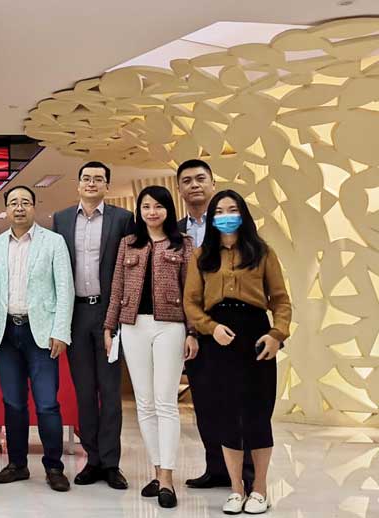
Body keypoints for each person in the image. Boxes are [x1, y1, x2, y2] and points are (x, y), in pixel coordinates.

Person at [184, 190, 291, 515]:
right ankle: (236, 489)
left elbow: (281, 300)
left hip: (256, 334)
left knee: (258, 413)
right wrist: (209, 327)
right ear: (212, 218)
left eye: (232, 209)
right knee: (226, 413)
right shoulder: (202, 256)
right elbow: (191, 302)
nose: (226, 216)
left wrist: (276, 335)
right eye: (219, 211)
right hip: (218, 336)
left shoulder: (262, 252)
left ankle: (259, 489)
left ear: (242, 214)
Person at [104, 185, 196, 508]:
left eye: (158, 206)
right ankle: (157, 471)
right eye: (146, 206)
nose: (152, 212)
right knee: (144, 404)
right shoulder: (128, 243)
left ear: (168, 210)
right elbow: (117, 287)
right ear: (139, 211)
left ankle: (167, 478)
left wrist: (192, 332)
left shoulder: (183, 244)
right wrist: (109, 326)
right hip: (132, 327)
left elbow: (191, 291)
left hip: (171, 326)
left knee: (165, 402)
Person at [0, 186, 74, 492]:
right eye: (13, 203)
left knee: (47, 404)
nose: (19, 207)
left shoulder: (53, 242)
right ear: (6, 210)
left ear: (34, 207)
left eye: (25, 202)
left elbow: (65, 289)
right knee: (13, 403)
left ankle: (54, 467)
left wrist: (60, 331)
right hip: (6, 334)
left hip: (42, 333)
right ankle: (17, 465)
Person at [52, 161, 133, 489]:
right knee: (84, 391)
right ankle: (93, 459)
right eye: (86, 178)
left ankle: (111, 463)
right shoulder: (61, 219)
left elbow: (128, 267)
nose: (91, 183)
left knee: (110, 392)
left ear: (107, 186)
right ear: (78, 184)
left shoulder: (122, 219)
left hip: (108, 313)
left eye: (98, 179)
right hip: (75, 314)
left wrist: (119, 316)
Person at [175, 159, 255, 491]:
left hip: (234, 326)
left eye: (200, 179)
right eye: (187, 181)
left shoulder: (234, 227)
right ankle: (216, 468)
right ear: (179, 189)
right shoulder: (173, 231)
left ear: (212, 183)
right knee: (205, 401)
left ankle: (245, 471)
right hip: (195, 328)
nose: (194, 185)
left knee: (239, 400)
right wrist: (190, 329)